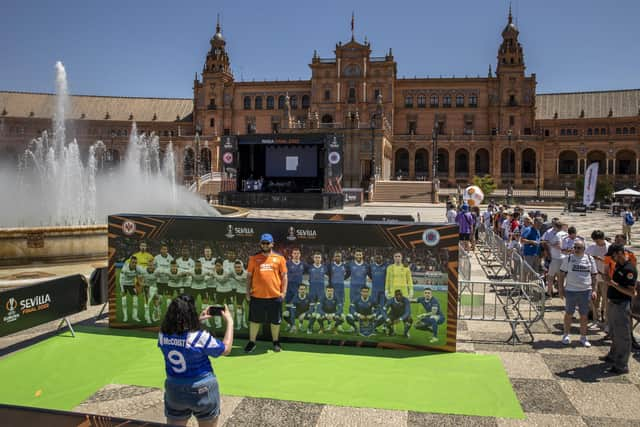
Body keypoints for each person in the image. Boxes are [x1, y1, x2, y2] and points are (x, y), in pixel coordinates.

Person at [158, 295, 233, 426]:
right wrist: (230, 322)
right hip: (202, 388)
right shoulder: (199, 337)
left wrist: (197, 320)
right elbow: (225, 349)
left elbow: (180, 336)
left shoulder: (162, 334)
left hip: (174, 387)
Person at [245, 233, 288, 353]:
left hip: (274, 296)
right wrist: (247, 293)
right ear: (260, 244)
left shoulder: (280, 258)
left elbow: (284, 277)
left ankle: (275, 342)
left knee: (275, 321)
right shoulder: (254, 258)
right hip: (257, 296)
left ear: (272, 244)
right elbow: (249, 277)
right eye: (263, 243)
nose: (265, 245)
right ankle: (252, 342)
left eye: (267, 243)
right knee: (254, 321)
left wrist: (283, 292)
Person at [600, 244, 638, 374]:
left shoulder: (629, 269)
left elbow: (631, 292)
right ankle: (613, 356)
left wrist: (613, 284)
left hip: (622, 304)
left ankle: (622, 365)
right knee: (614, 332)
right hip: (613, 303)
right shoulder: (619, 265)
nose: (612, 258)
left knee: (622, 335)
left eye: (614, 255)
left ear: (621, 253)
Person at [557, 240, 597, 347]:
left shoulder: (589, 259)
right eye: (575, 247)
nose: (576, 249)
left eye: (579, 247)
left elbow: (594, 275)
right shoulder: (568, 258)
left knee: (584, 315)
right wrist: (560, 289)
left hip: (585, 291)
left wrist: (594, 290)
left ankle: (583, 337)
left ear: (584, 249)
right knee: (569, 314)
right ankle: (566, 335)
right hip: (571, 290)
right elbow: (561, 274)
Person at [586, 230, 611, 324]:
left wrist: (600, 259)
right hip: (594, 278)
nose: (596, 243)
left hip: (605, 278)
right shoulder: (592, 247)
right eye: (594, 241)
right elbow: (585, 257)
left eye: (597, 241)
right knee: (594, 299)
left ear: (602, 238)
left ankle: (606, 319)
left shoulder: (609, 247)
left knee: (606, 300)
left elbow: (612, 262)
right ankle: (595, 318)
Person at [119, 255, 144, 322]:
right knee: (124, 300)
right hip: (124, 284)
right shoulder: (125, 268)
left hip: (131, 285)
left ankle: (135, 316)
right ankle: (125, 316)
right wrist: (122, 290)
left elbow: (142, 276)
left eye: (135, 263)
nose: (134, 264)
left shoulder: (138, 268)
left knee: (135, 299)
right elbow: (121, 279)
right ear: (130, 262)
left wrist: (141, 285)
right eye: (133, 262)